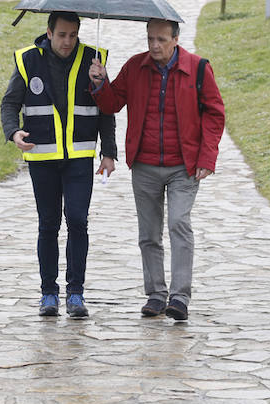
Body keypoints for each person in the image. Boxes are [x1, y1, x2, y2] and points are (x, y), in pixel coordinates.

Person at [88, 18, 225, 321]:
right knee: (148, 234)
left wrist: (207, 157)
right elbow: (112, 104)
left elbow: (215, 114)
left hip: (183, 166)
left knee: (179, 224)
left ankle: (179, 298)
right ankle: (155, 295)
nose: (154, 46)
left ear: (176, 39)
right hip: (145, 165)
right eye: (150, 39)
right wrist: (99, 83)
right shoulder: (136, 67)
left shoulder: (198, 68)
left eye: (162, 39)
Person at [1, 11, 117, 318]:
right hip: (42, 157)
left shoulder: (94, 60)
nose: (68, 42)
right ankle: (48, 294)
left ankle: (75, 294)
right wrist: (13, 132)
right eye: (62, 35)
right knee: (48, 224)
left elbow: (107, 109)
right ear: (49, 33)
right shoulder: (28, 61)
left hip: (79, 157)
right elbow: (10, 102)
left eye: (73, 35)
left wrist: (109, 151)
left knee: (78, 220)